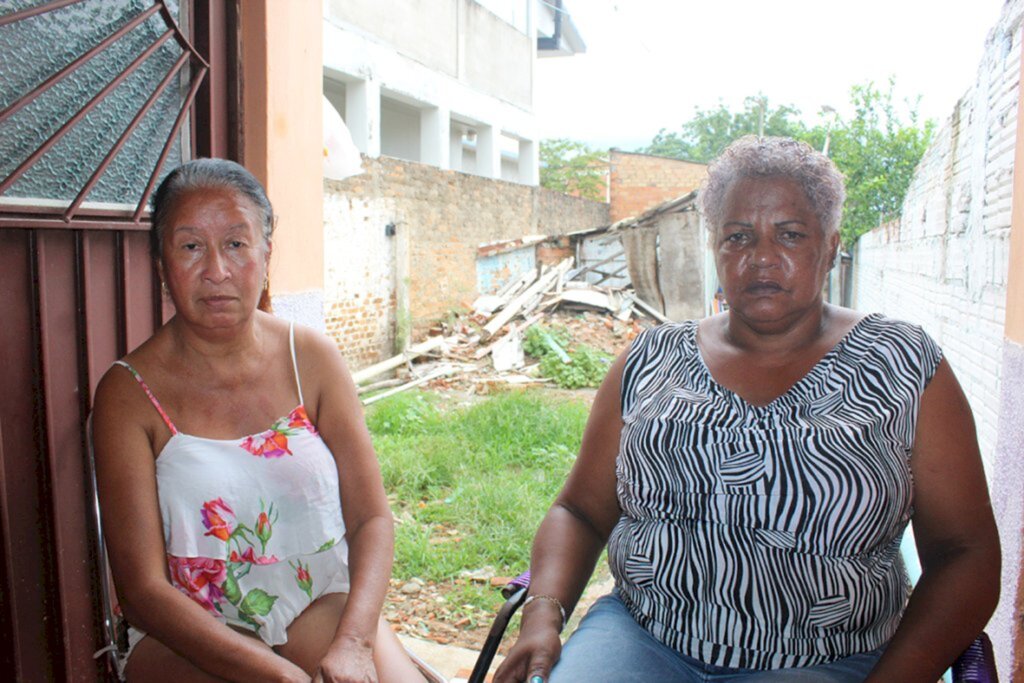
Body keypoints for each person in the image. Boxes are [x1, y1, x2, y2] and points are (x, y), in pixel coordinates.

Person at [495, 136, 1001, 683]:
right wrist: (543, 611)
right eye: (738, 237)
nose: (761, 257)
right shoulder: (650, 359)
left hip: (826, 660)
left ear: (830, 248)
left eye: (789, 234)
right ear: (716, 249)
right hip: (642, 639)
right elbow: (580, 511)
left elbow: (965, 551)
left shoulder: (903, 366)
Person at [92, 158, 427, 683]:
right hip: (189, 634)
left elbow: (372, 519)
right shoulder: (128, 394)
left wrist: (356, 643)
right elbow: (143, 593)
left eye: (236, 243)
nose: (216, 271)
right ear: (160, 265)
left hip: (318, 601)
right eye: (190, 246)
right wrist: (280, 677)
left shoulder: (311, 358)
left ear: (266, 254)